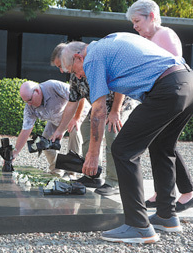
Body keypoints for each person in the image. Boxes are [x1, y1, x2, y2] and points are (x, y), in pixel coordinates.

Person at [55, 34, 193, 243]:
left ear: (79, 57)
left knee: (123, 150)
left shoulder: (93, 58)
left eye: (73, 71)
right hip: (191, 83)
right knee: (162, 147)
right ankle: (166, 216)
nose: (78, 77)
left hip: (168, 87)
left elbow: (98, 111)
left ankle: (138, 226)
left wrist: (92, 154)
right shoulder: (109, 43)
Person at [126, 0, 193, 212]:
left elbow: (171, 69)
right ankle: (170, 193)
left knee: (162, 144)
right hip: (174, 94)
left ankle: (183, 193)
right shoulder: (154, 38)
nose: (134, 26)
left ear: (151, 16)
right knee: (162, 143)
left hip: (175, 94)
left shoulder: (164, 34)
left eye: (137, 20)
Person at [50, 43, 138, 195]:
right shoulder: (75, 74)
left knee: (112, 133)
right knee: (85, 128)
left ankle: (114, 181)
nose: (62, 70)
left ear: (76, 58)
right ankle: (92, 174)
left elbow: (120, 86)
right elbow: (72, 103)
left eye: (62, 66)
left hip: (120, 102)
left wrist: (116, 112)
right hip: (99, 105)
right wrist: (60, 130)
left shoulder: (97, 61)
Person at [12, 80, 88, 180]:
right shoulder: (29, 107)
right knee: (45, 142)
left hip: (77, 113)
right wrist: (14, 153)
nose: (29, 104)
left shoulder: (53, 86)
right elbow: (26, 130)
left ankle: (71, 173)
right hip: (56, 119)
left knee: (74, 132)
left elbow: (80, 96)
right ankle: (57, 171)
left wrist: (76, 118)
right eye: (26, 101)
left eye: (30, 100)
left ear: (37, 91)